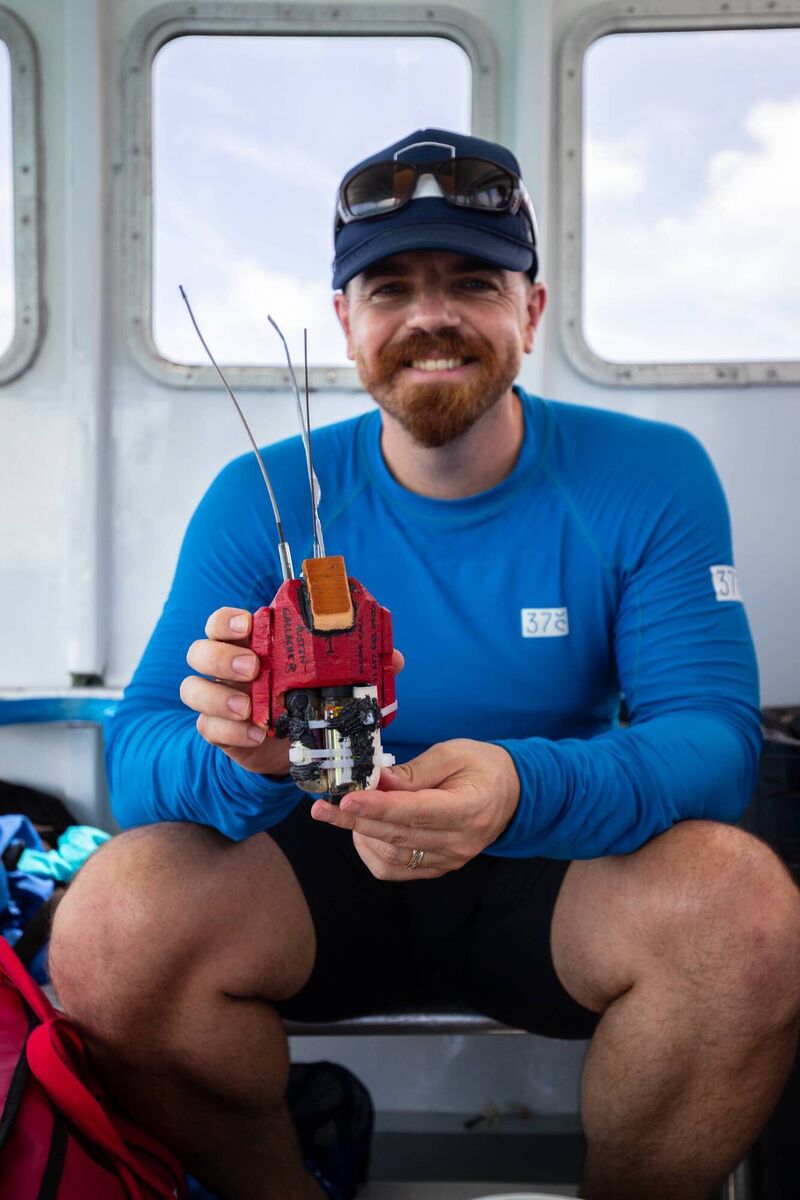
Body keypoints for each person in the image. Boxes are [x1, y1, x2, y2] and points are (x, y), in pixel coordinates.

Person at [50, 129, 800, 1200]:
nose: (430, 315)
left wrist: (517, 787)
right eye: (389, 285)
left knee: (746, 912)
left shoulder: (648, 475)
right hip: (313, 866)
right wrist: (247, 760)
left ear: (528, 312)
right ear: (347, 322)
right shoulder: (254, 493)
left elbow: (712, 744)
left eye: (471, 282)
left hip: (554, 865)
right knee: (113, 919)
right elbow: (141, 756)